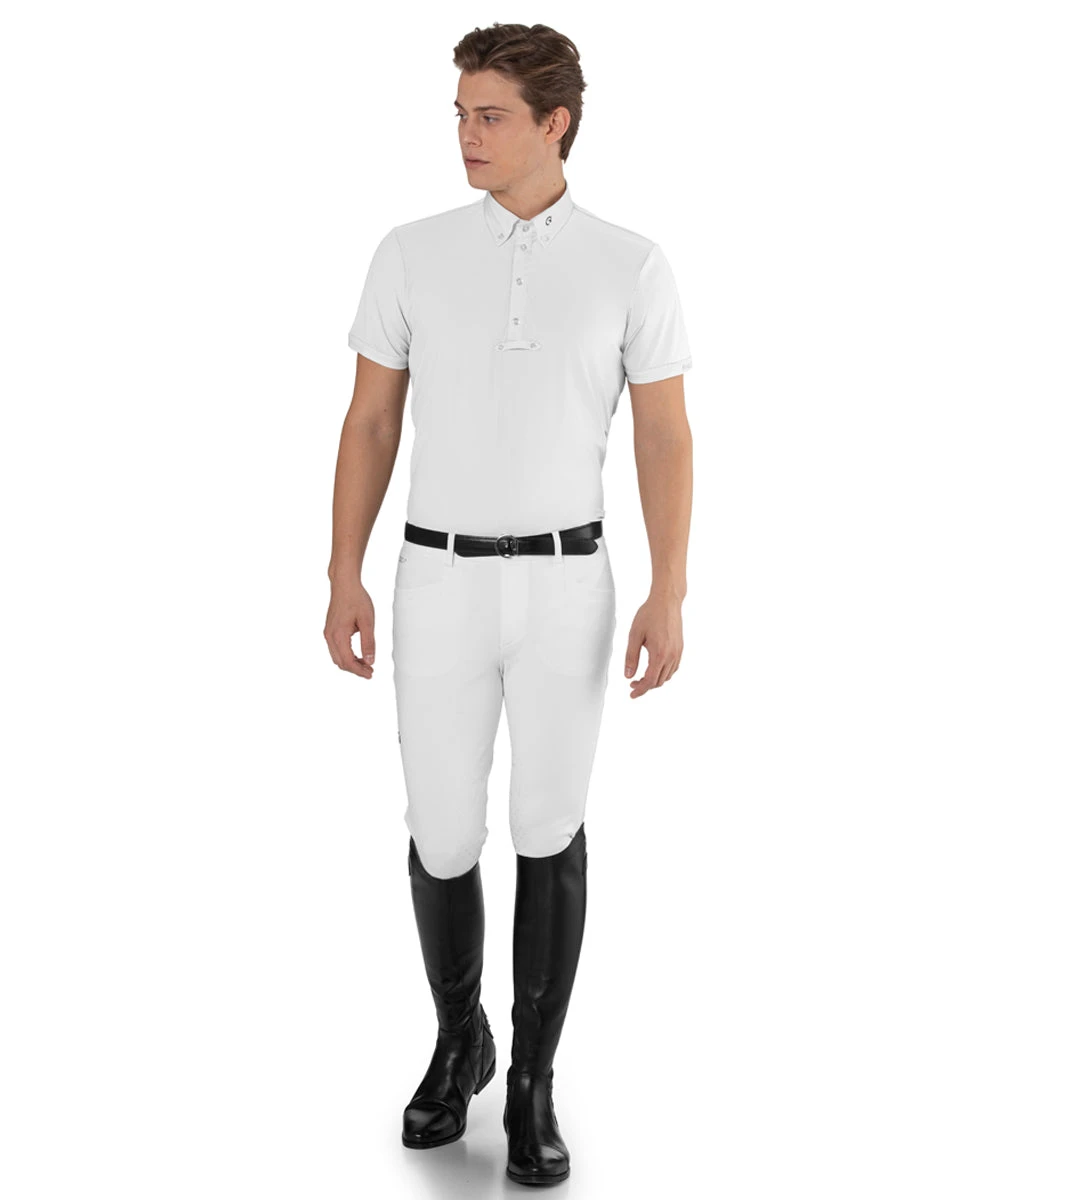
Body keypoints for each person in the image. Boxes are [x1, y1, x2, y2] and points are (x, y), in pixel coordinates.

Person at [326, 22, 693, 1187]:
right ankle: (459, 1041)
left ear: (555, 124)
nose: (466, 135)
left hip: (568, 586)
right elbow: (370, 422)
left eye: (489, 116)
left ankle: (531, 1079)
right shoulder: (411, 253)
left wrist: (670, 588)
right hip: (436, 580)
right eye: (460, 114)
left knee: (548, 824)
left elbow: (665, 434)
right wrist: (341, 571)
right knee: (441, 832)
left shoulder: (631, 265)